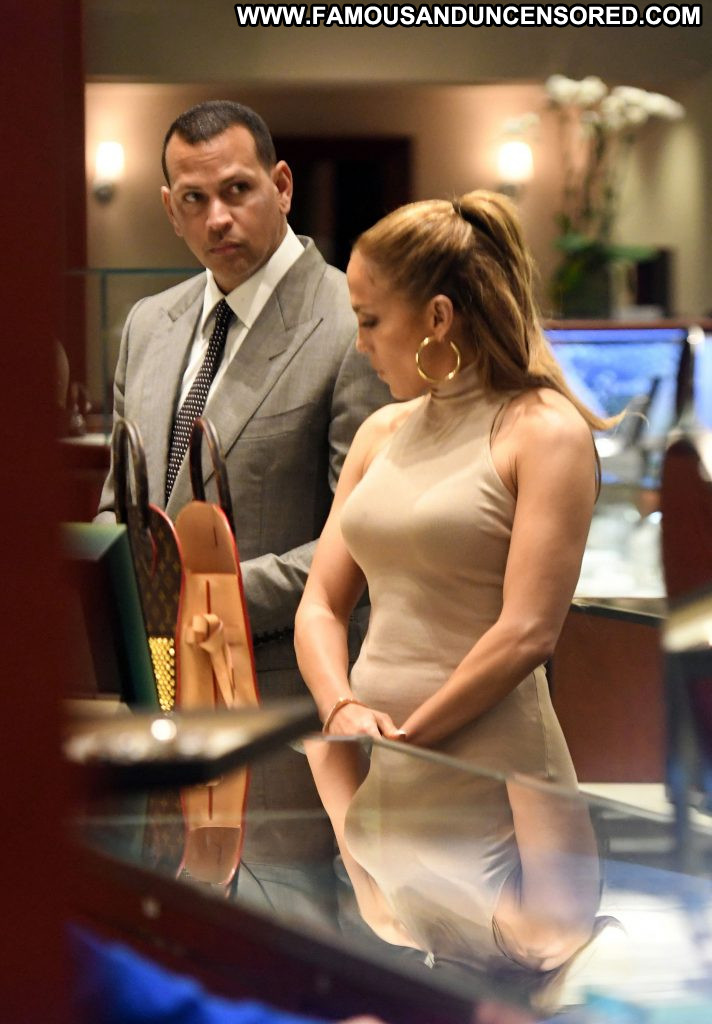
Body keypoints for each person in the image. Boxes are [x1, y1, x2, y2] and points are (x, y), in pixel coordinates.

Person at [294, 189, 615, 972]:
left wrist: (409, 741)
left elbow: (528, 632)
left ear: (437, 318)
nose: (360, 343)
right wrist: (340, 709)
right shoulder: (380, 433)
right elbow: (321, 603)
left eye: (371, 319)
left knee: (539, 945)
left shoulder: (543, 431)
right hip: (383, 777)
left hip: (492, 775)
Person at [95, 100, 388, 900]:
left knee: (283, 944)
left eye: (237, 190)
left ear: (281, 185)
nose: (218, 217)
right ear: (170, 210)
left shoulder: (352, 324)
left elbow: (364, 543)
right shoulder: (148, 325)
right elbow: (120, 507)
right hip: (155, 705)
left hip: (285, 720)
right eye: (195, 199)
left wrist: (204, 597)